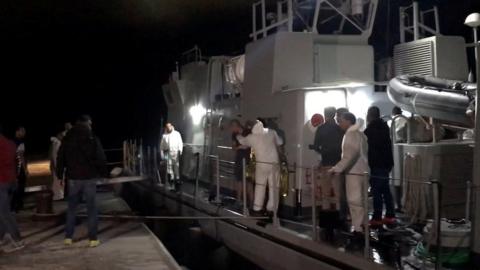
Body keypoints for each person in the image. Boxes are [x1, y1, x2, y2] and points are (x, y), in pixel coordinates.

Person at [56, 115, 107, 248]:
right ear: (86, 123)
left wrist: (59, 175)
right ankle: (93, 239)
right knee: (91, 208)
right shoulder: (92, 138)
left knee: (72, 208)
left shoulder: (67, 139)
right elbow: (101, 158)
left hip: (73, 178)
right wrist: (103, 174)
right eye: (90, 123)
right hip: (89, 178)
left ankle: (68, 237)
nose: (91, 126)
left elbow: (60, 157)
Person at [329, 112, 369, 238]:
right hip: (363, 170)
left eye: (340, 120)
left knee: (354, 199)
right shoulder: (360, 134)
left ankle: (357, 228)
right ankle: (363, 224)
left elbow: (350, 155)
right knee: (362, 199)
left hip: (354, 171)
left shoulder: (351, 134)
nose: (339, 123)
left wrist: (337, 168)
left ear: (348, 121)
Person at [236, 120, 283, 216]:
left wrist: (237, 135)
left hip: (262, 164)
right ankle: (272, 210)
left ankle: (257, 208)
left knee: (260, 186)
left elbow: (242, 141)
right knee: (274, 187)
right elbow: (280, 142)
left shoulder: (252, 137)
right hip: (275, 163)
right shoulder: (271, 132)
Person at [364, 106, 395, 226]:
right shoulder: (385, 126)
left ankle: (377, 216)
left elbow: (368, 148)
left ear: (369, 115)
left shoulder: (370, 130)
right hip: (387, 163)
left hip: (376, 164)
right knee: (385, 189)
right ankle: (390, 214)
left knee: (376, 190)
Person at [312, 107, 344, 212]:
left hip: (326, 163)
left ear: (324, 115)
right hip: (338, 163)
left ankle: (326, 216)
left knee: (325, 193)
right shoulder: (340, 129)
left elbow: (316, 146)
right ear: (334, 115)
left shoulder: (321, 129)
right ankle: (340, 215)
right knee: (338, 192)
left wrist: (322, 151)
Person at [0, 124, 25, 253]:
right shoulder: (10, 144)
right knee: (4, 211)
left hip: (2, 182)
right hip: (11, 181)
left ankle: (17, 239)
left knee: (4, 213)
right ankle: (3, 237)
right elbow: (15, 162)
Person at [229, 120, 251, 203]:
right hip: (239, 159)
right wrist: (238, 147)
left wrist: (240, 147)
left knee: (249, 182)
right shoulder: (234, 134)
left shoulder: (248, 132)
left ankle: (251, 203)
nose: (232, 130)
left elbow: (249, 145)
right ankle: (239, 201)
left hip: (248, 159)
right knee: (239, 180)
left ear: (236, 126)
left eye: (232, 127)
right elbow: (234, 147)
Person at [160, 122, 183, 191]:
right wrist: (162, 156)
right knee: (169, 168)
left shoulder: (177, 134)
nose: (168, 128)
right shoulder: (164, 136)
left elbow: (180, 143)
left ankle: (177, 184)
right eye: (166, 127)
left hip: (175, 153)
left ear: (171, 126)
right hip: (167, 153)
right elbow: (161, 147)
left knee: (176, 167)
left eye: (169, 126)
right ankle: (171, 183)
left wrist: (180, 151)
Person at [11, 126, 28, 212]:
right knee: (20, 186)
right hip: (19, 167)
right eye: (23, 131)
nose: (24, 133)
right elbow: (21, 156)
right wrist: (25, 169)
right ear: (17, 131)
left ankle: (14, 205)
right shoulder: (20, 142)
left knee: (15, 186)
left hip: (12, 167)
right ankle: (18, 204)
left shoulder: (10, 142)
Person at [50, 131, 65, 201]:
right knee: (59, 181)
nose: (62, 137)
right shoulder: (58, 143)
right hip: (58, 166)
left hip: (56, 165)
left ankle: (57, 195)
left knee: (56, 181)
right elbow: (58, 157)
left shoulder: (54, 143)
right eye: (61, 136)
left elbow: (52, 156)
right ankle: (59, 196)